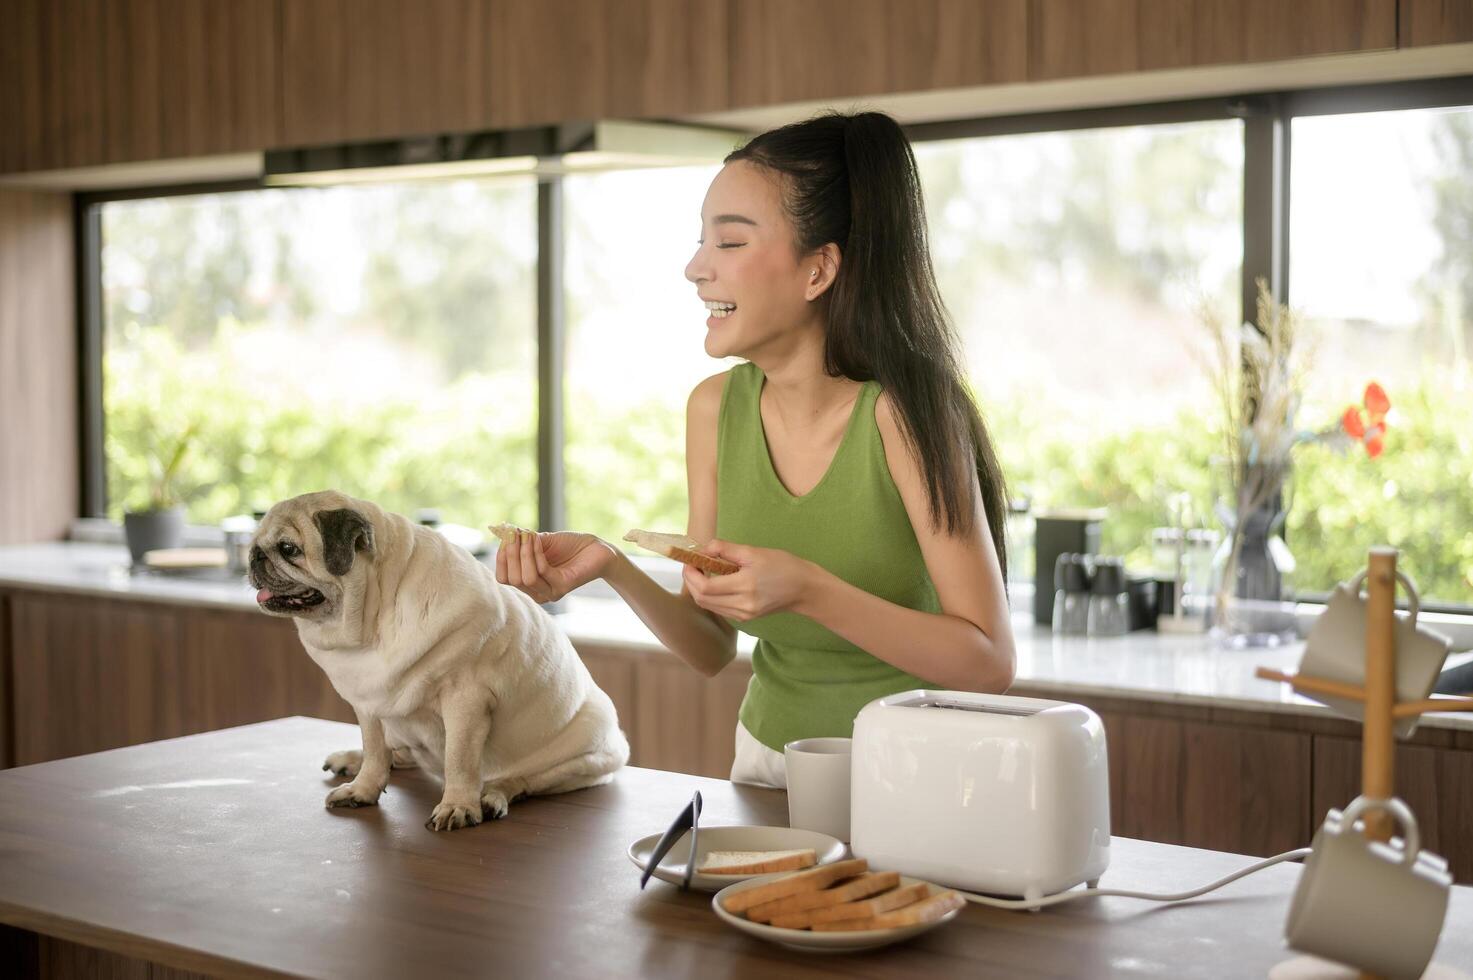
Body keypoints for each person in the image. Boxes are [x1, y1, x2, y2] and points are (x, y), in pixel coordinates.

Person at [496, 111, 1016, 789]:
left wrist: (807, 589)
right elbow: (712, 647)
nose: (694, 268)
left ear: (818, 269)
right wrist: (610, 566)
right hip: (766, 761)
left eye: (731, 243)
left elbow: (988, 660)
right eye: (700, 242)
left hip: (918, 774)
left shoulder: (907, 416)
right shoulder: (714, 409)